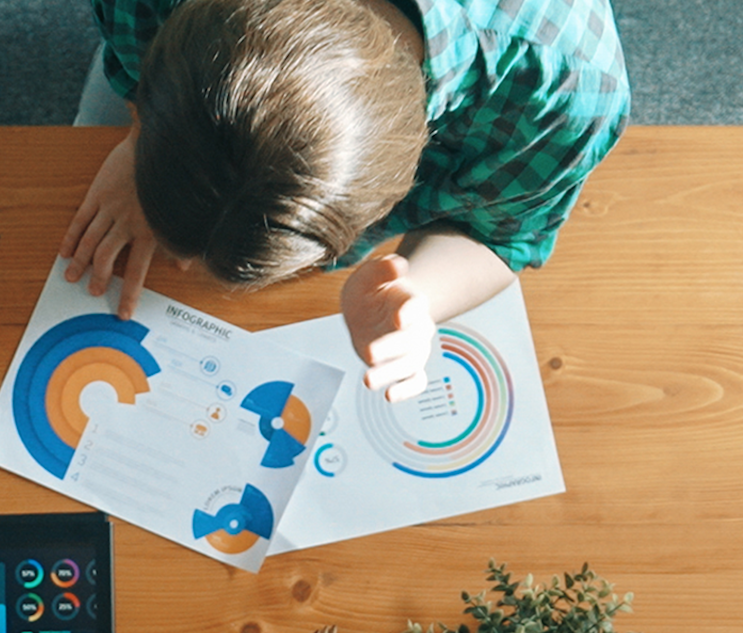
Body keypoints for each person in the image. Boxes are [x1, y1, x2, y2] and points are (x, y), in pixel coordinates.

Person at [63, 0, 628, 402]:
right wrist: (139, 140)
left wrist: (419, 297)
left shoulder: (563, 88)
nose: (184, 268)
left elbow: (502, 233)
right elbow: (131, 50)